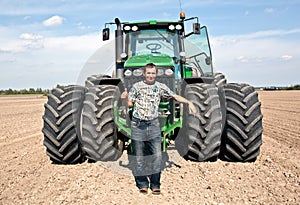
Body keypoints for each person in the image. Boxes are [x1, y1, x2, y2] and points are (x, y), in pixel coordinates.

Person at [121, 63, 197, 195]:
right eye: (148, 73)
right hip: (138, 125)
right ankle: (143, 184)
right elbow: (129, 104)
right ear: (144, 74)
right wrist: (124, 98)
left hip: (154, 125)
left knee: (157, 156)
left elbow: (174, 96)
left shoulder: (160, 87)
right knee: (139, 157)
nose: (150, 75)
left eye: (153, 73)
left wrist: (189, 102)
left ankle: (155, 184)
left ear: (156, 74)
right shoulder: (136, 87)